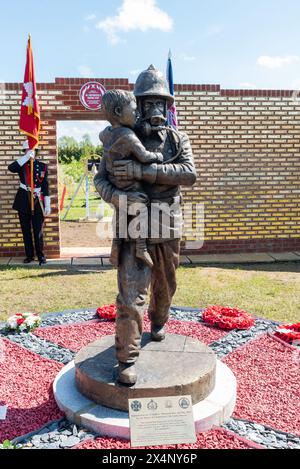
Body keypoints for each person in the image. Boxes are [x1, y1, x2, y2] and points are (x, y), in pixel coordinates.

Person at [94, 65, 197, 385]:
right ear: (136, 105)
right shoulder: (120, 136)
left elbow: (188, 174)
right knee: (130, 294)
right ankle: (126, 358)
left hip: (167, 222)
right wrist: (117, 197)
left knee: (165, 286)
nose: (155, 109)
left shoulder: (178, 138)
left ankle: (159, 320)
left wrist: (142, 173)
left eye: (161, 103)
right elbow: (100, 179)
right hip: (131, 223)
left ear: (169, 106)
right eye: (147, 103)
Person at [100, 89, 164, 268]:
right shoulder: (129, 137)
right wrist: (157, 157)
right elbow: (144, 156)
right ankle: (141, 247)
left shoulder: (106, 135)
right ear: (119, 112)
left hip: (116, 181)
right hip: (130, 186)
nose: (138, 113)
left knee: (121, 211)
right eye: (135, 109)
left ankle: (116, 245)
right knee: (140, 206)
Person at [8, 141, 51, 265]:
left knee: (38, 231)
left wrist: (47, 204)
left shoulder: (42, 166)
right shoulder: (21, 164)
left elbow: (46, 186)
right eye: (27, 150)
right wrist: (26, 157)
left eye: (31, 150)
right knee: (26, 230)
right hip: (23, 200)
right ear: (24, 151)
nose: (30, 152)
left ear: (36, 151)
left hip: (37, 201)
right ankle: (29, 255)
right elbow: (11, 168)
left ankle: (41, 255)